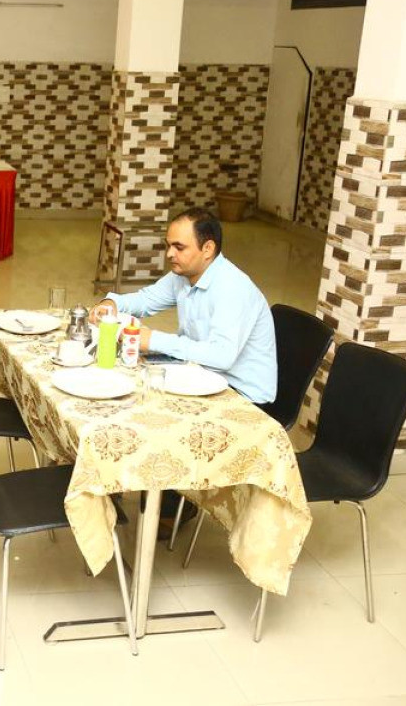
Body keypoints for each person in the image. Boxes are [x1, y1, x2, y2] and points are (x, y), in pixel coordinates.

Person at [91, 207, 276, 536]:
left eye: (179, 247)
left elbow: (222, 356)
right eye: (168, 245)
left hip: (241, 394)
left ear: (208, 249)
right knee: (128, 395)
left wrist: (153, 339)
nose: (169, 254)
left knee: (154, 414)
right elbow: (147, 299)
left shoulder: (232, 288)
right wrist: (113, 304)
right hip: (202, 375)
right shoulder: (184, 276)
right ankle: (114, 484)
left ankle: (170, 502)